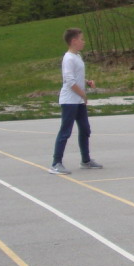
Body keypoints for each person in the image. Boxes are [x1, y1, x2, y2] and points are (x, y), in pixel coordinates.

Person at [50, 28, 102, 174]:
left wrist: (86, 82)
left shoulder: (77, 56)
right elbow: (69, 81)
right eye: (81, 39)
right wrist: (83, 95)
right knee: (65, 131)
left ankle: (86, 160)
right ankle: (56, 163)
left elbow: (76, 77)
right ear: (73, 41)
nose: (83, 42)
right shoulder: (68, 58)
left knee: (85, 129)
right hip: (69, 101)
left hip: (78, 101)